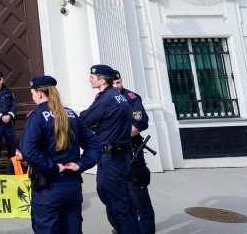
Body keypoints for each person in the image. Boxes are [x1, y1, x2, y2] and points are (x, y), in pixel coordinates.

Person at [19, 75, 97, 234]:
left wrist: (53, 168)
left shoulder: (37, 116)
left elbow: (28, 151)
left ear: (40, 94)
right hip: (72, 186)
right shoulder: (71, 114)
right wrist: (81, 165)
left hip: (48, 187)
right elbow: (94, 145)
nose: (32, 95)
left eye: (32, 92)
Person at [79, 64, 139, 234]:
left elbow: (83, 120)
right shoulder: (117, 97)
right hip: (122, 155)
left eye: (92, 77)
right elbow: (92, 117)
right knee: (125, 204)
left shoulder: (105, 99)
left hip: (111, 158)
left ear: (102, 80)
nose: (89, 79)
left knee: (117, 206)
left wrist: (95, 122)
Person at [111, 71, 155, 234]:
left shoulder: (131, 98)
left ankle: (146, 230)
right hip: (113, 153)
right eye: (113, 83)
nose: (117, 86)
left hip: (131, 150)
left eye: (119, 82)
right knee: (118, 194)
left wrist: (118, 136)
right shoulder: (102, 99)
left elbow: (140, 122)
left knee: (137, 193)